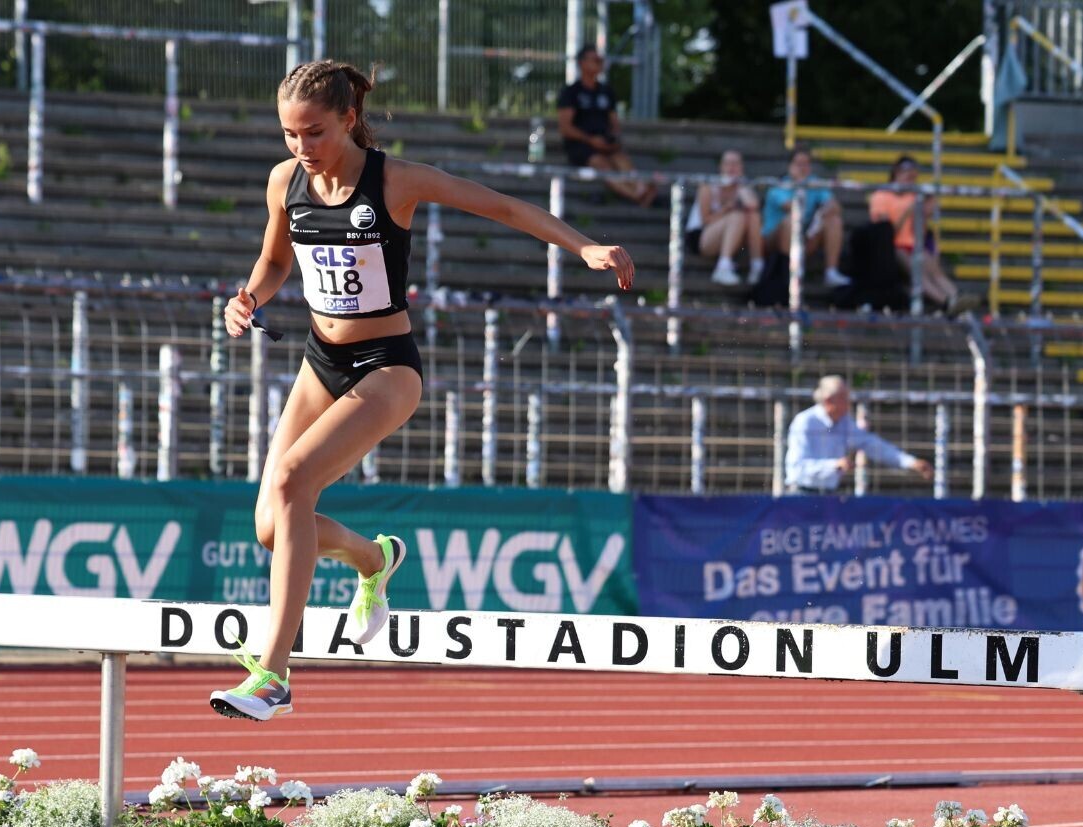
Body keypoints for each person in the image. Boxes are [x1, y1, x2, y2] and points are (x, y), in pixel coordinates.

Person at [211, 60, 634, 721]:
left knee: (292, 482)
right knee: (271, 526)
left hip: (386, 367)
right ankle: (373, 558)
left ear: (349, 120)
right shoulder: (284, 182)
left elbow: (501, 205)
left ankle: (273, 675)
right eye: (290, 134)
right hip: (321, 362)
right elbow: (273, 261)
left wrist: (582, 248)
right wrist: (247, 298)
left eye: (315, 133)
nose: (302, 147)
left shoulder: (393, 179)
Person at [869, 155, 980, 315]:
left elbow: (921, 229)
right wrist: (908, 210)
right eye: (908, 176)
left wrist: (930, 202)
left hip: (913, 244)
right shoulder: (881, 196)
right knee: (919, 273)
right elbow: (885, 233)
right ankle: (946, 302)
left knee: (935, 272)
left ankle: (957, 297)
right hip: (893, 246)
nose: (911, 181)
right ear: (896, 173)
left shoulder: (914, 196)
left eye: (913, 177)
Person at [785, 376, 934, 494]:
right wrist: (834, 465)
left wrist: (909, 462)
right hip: (801, 493)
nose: (849, 403)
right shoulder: (805, 422)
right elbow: (797, 467)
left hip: (828, 494)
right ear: (829, 400)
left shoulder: (844, 422)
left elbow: (872, 444)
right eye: (844, 398)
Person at [557, 45, 656, 208]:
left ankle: (641, 190)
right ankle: (637, 195)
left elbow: (614, 123)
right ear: (582, 63)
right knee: (602, 163)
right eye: (595, 59)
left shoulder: (606, 91)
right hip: (581, 145)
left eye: (600, 60)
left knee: (621, 160)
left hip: (605, 143)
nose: (599, 63)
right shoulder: (571, 92)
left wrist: (614, 139)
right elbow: (565, 128)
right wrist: (591, 140)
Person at [762, 148, 851, 288]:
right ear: (790, 166)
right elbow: (793, 209)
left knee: (834, 220)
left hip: (804, 238)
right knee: (790, 221)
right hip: (773, 241)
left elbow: (835, 206)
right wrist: (800, 186)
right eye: (799, 164)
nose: (802, 168)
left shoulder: (814, 183)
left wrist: (824, 213)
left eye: (806, 164)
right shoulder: (778, 186)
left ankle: (831, 272)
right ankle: (788, 273)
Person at [687, 149, 765, 286]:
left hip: (729, 235)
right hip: (701, 236)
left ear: (741, 167)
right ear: (721, 166)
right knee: (737, 216)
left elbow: (754, 206)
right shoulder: (708, 187)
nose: (731, 168)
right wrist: (726, 209)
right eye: (728, 163)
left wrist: (740, 187)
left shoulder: (742, 186)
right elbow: (705, 220)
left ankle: (757, 265)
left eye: (735, 164)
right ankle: (723, 267)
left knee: (752, 216)